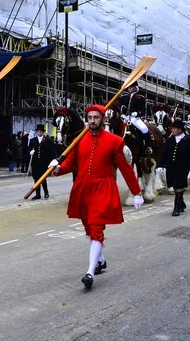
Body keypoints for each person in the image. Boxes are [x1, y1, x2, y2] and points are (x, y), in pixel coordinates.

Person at [48, 104, 144, 289]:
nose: (92, 121)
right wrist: (57, 168)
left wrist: (136, 192)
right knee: (89, 228)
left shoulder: (115, 141)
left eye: (96, 117)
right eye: (90, 117)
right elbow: (71, 164)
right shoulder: (79, 139)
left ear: (103, 119)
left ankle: (90, 272)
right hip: (83, 189)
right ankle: (101, 260)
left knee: (96, 227)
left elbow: (126, 168)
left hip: (103, 189)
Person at [156, 119, 190, 216]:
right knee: (175, 186)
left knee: (179, 186)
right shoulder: (169, 140)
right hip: (171, 167)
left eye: (174, 129)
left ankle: (176, 208)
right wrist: (160, 165)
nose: (172, 130)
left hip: (183, 167)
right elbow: (164, 154)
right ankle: (181, 204)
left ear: (180, 130)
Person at [118, 81, 153, 154]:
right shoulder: (123, 97)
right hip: (124, 116)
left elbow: (143, 111)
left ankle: (148, 146)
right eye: (128, 87)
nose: (129, 88)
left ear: (135, 87)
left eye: (131, 87)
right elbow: (119, 106)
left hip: (134, 118)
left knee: (144, 129)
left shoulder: (140, 98)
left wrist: (137, 113)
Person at [28, 124, 55, 199]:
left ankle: (46, 192)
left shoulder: (48, 140)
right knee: (36, 178)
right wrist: (30, 152)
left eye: (41, 131)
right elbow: (28, 150)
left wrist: (51, 162)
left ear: (43, 132)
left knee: (42, 178)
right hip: (35, 162)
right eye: (38, 131)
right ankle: (38, 194)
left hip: (44, 162)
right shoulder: (32, 140)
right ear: (36, 132)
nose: (40, 133)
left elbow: (52, 152)